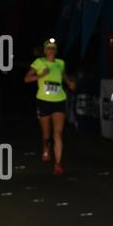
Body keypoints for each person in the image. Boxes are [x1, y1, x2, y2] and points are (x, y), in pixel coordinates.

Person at [24, 39, 76, 175]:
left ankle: (58, 164)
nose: (51, 50)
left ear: (56, 51)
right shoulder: (39, 62)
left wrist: (69, 82)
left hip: (59, 100)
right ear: (45, 50)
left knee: (58, 133)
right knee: (46, 135)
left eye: (53, 48)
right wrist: (41, 75)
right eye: (49, 47)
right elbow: (27, 79)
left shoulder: (60, 63)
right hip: (43, 101)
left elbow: (63, 75)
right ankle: (46, 147)